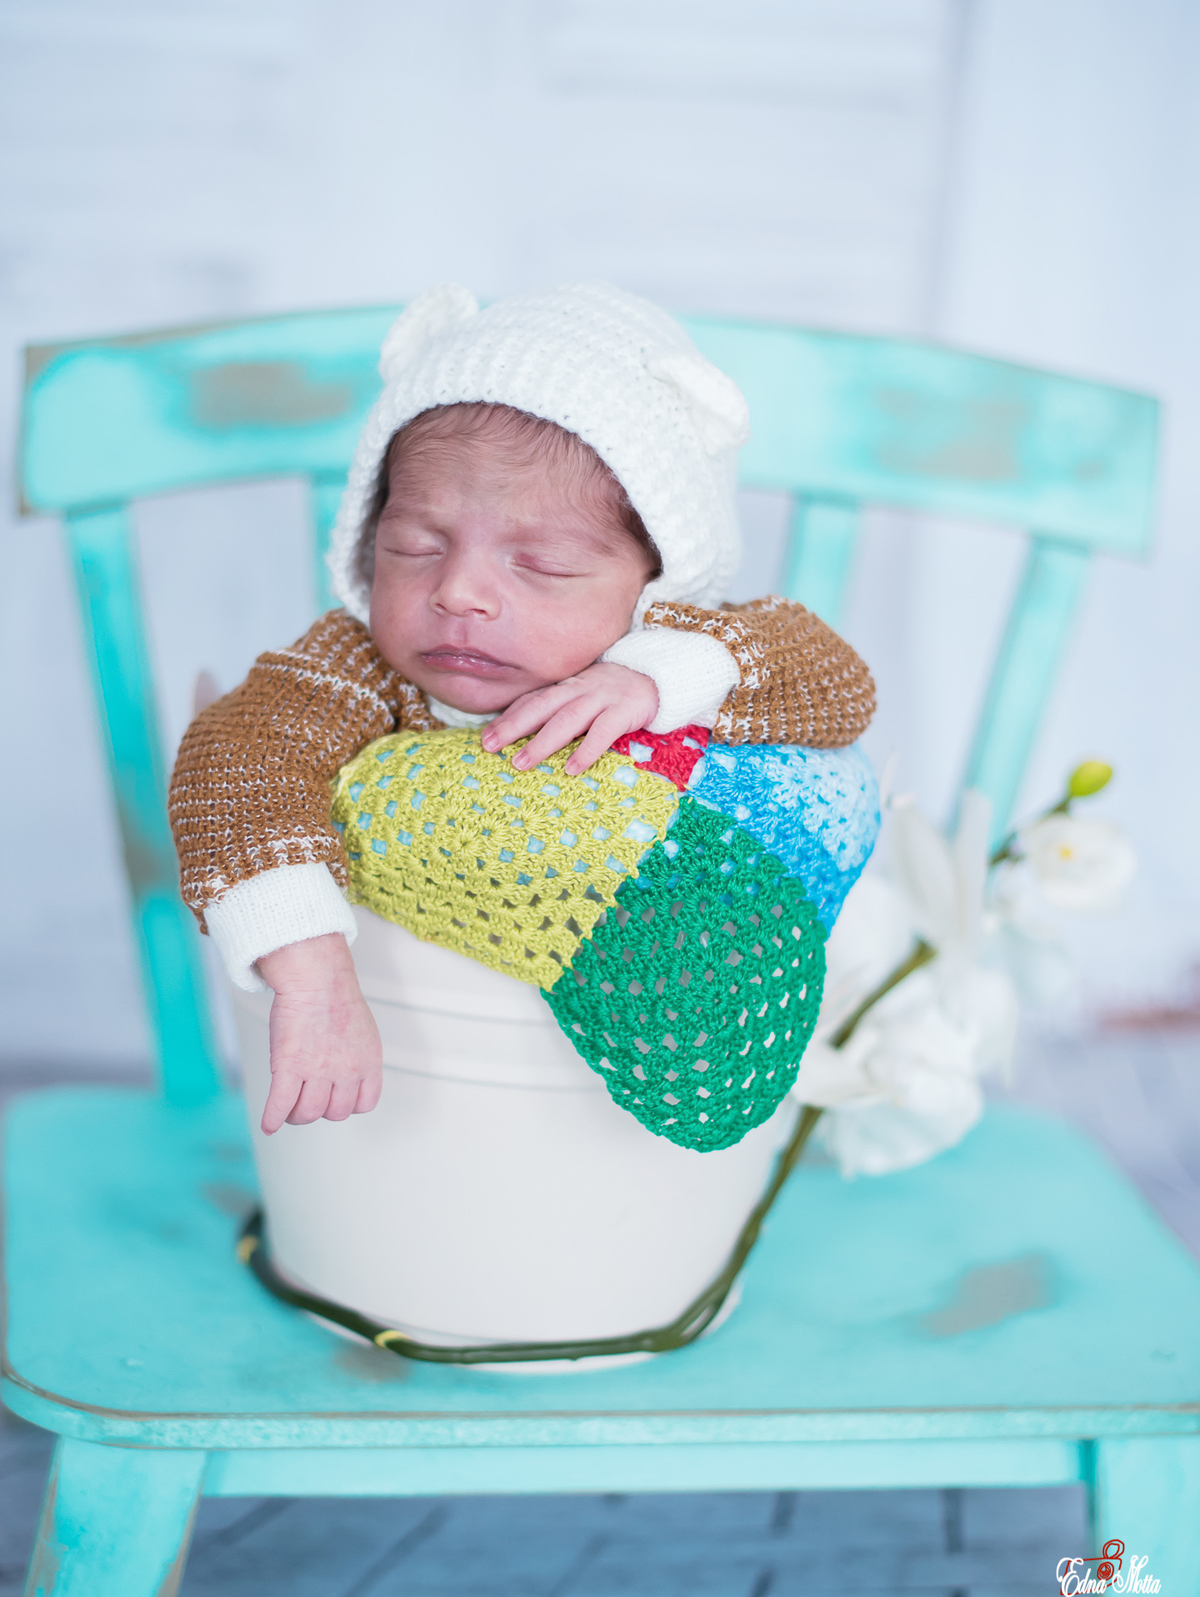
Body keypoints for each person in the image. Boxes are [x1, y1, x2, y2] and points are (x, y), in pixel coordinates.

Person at [169, 282, 876, 1138]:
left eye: (542, 565)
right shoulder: (354, 670)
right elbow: (237, 757)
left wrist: (659, 678)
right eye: (414, 548)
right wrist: (309, 969)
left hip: (628, 1047)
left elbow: (839, 681)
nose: (459, 592)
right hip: (418, 1116)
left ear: (656, 583)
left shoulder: (677, 644)